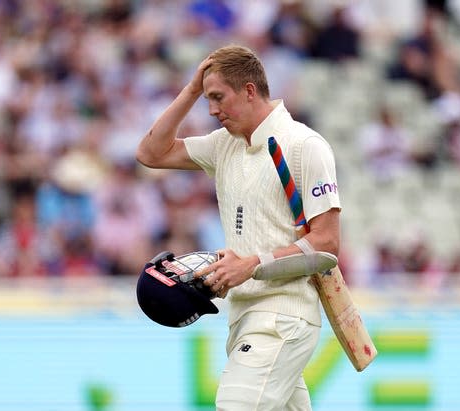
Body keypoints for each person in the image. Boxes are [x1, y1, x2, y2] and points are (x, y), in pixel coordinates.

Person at [135, 44, 341, 410]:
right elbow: (151, 153)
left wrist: (251, 264)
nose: (212, 110)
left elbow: (325, 245)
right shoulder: (224, 146)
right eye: (207, 99)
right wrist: (192, 90)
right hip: (245, 318)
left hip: (282, 316)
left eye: (217, 98)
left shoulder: (304, 145)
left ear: (249, 90)